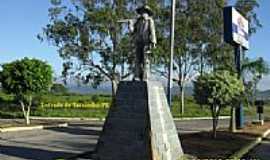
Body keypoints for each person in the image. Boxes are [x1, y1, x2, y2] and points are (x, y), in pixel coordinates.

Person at [128, 5, 157, 81]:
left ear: (147, 13)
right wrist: (130, 25)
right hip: (138, 43)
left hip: (146, 43)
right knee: (137, 59)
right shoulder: (137, 22)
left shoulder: (150, 21)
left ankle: (145, 76)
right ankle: (137, 75)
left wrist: (153, 42)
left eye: (144, 12)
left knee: (146, 60)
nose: (142, 13)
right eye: (141, 12)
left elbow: (152, 31)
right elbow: (132, 32)